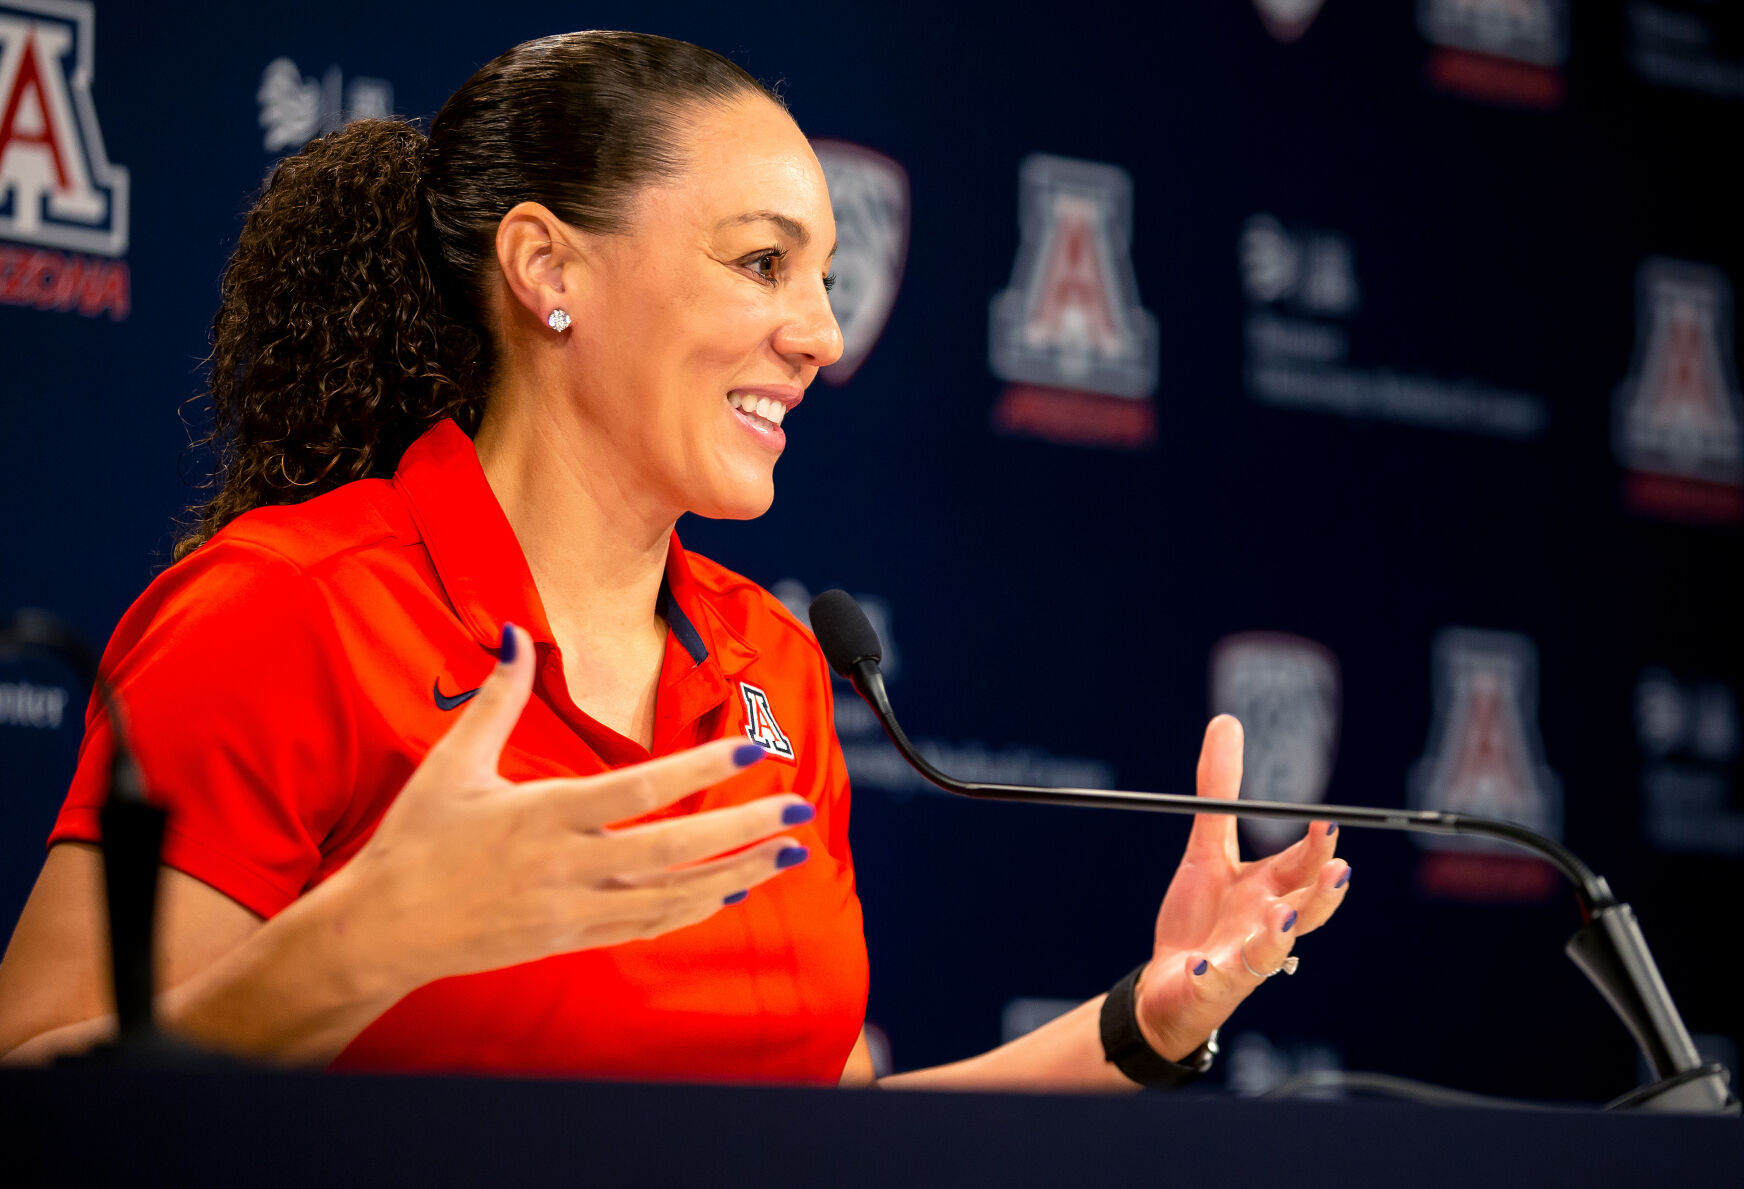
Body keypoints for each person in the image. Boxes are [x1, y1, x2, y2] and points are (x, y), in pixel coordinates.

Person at [0, 30, 1349, 1088]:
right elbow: (42, 1089)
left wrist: (1145, 1018)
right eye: (763, 263)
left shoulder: (773, 659)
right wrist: (368, 941)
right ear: (546, 269)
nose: (820, 332)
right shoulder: (287, 608)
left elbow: (816, 1133)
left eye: (821, 276)